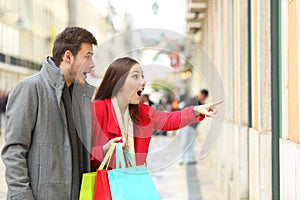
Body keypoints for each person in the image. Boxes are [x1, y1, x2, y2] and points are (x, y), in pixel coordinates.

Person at [1, 27, 98, 200]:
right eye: (87, 56)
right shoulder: (30, 89)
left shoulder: (81, 96)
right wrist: (22, 196)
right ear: (68, 56)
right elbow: (14, 151)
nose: (92, 65)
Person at [90, 57, 222, 170]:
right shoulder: (97, 109)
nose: (143, 82)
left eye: (142, 76)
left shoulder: (142, 111)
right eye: (135, 76)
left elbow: (169, 119)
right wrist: (104, 150)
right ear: (118, 82)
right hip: (106, 188)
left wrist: (196, 110)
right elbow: (82, 155)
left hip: (135, 184)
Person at [178, 89, 209, 165]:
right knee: (184, 141)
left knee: (191, 143)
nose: (203, 98)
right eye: (203, 96)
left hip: (193, 125)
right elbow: (184, 110)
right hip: (186, 124)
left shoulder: (200, 103)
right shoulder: (192, 100)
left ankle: (190, 159)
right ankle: (181, 159)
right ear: (201, 94)